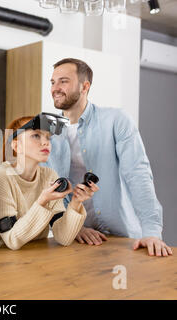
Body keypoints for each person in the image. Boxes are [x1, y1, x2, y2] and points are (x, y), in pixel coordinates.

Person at [46, 57, 172, 257]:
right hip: (78, 237)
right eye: (53, 82)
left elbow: (137, 174)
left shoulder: (116, 120)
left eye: (64, 81)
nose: (55, 88)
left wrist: (151, 231)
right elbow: (50, 188)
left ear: (84, 86)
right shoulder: (49, 133)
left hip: (123, 234)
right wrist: (73, 226)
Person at [0, 114, 98, 250]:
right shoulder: (1, 176)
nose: (46, 142)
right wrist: (43, 201)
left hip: (36, 259)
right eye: (36, 136)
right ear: (16, 146)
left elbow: (63, 237)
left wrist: (76, 202)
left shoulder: (49, 175)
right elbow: (12, 239)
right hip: (0, 261)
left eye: (48, 138)